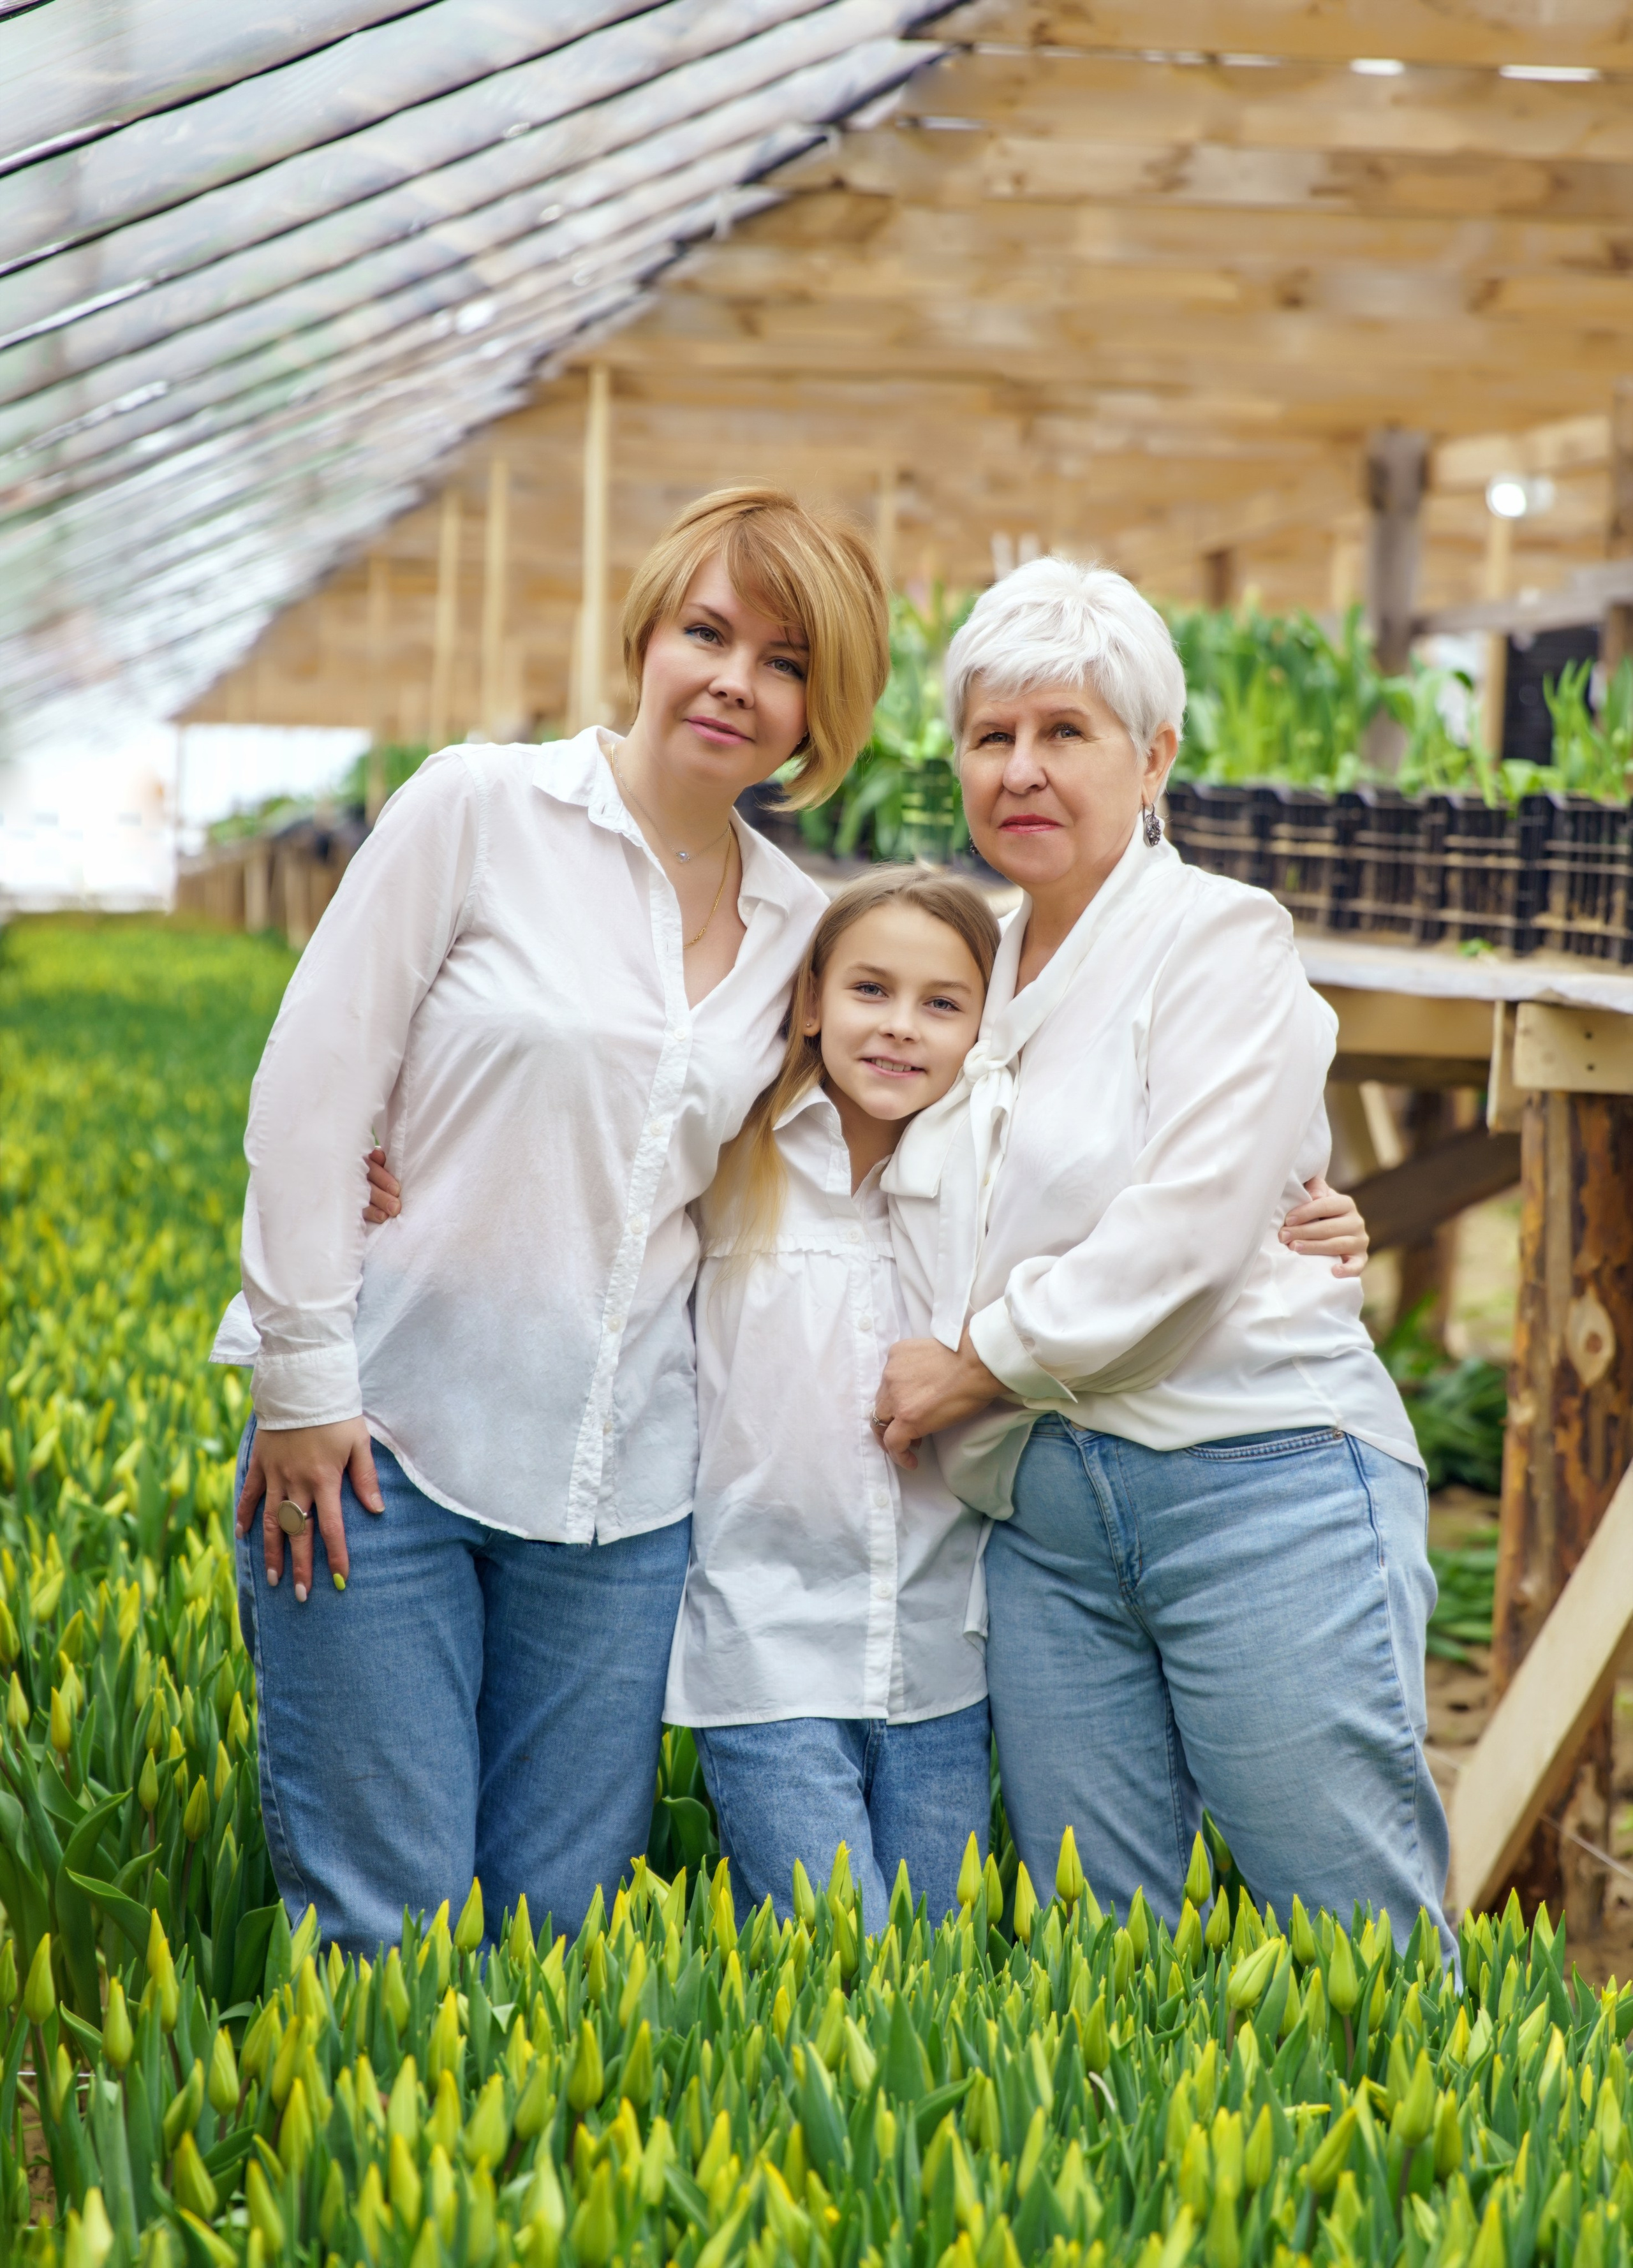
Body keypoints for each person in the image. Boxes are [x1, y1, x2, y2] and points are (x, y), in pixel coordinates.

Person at [214, 487, 889, 1952]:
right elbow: (314, 1080)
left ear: (818, 712)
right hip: (383, 1439)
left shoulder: (799, 929)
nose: (734, 679)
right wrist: (302, 1380)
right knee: (387, 1929)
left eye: (784, 662)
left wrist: (1288, 1195)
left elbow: (917, 1111)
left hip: (621, 1496)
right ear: (646, 635)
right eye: (707, 631)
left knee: (556, 1942)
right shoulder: (478, 807)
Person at [874, 555, 1451, 1951]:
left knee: (1346, 1935)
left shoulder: (1220, 941)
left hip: (1253, 1488)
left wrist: (972, 1364)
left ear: (1154, 759)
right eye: (990, 735)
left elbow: (1184, 1234)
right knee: (1100, 1957)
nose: (1021, 768)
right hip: (1044, 1531)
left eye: (1065, 731)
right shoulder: (963, 966)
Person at [668, 872, 999, 1935]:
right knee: (834, 1958)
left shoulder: (996, 1184)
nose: (901, 1026)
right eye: (870, 990)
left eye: (942, 1003)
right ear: (811, 1002)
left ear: (985, 1026)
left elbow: (1145, 1243)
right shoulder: (728, 1155)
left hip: (941, 1655)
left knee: (938, 1972)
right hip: (764, 1648)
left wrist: (1310, 1225)